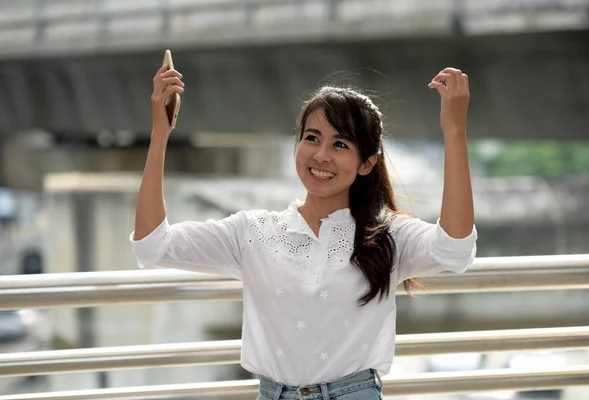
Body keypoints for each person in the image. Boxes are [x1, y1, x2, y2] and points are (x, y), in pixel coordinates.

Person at [130, 63, 477, 400]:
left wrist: (455, 133)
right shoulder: (253, 230)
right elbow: (152, 244)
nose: (321, 155)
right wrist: (160, 133)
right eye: (312, 138)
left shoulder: (388, 234)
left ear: (367, 163)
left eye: (340, 144)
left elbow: (455, 249)